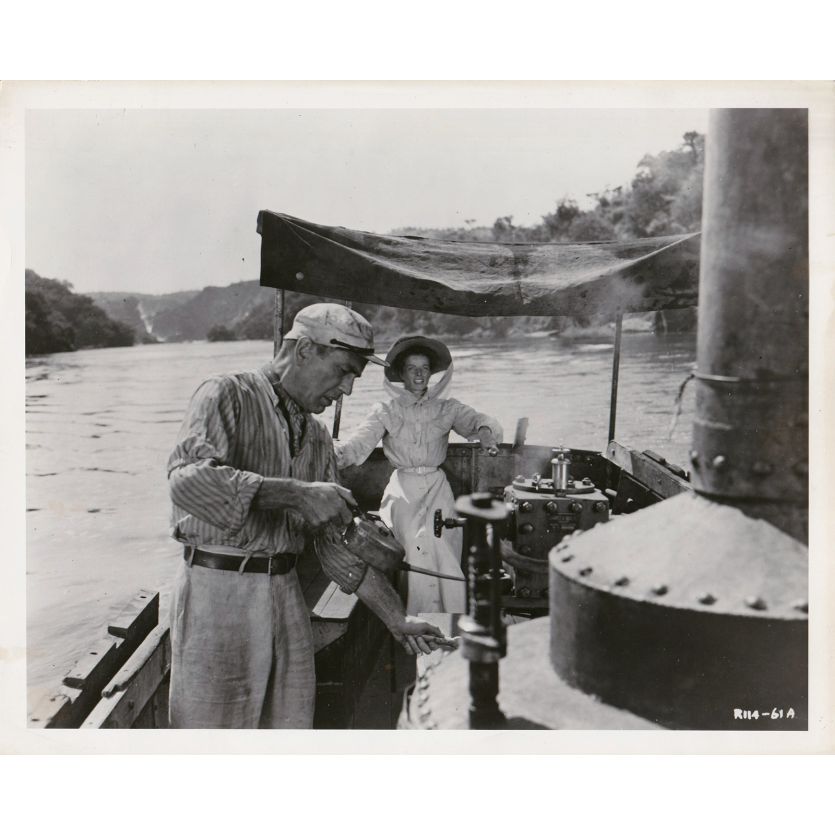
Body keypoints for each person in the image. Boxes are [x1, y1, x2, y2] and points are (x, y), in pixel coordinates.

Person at [167, 303, 446, 729]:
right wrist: (293, 494)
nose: (348, 390)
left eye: (356, 377)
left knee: (291, 731)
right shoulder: (226, 393)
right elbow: (186, 482)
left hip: (285, 593)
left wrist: (397, 619)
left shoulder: (316, 437)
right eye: (343, 371)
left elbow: (338, 545)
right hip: (217, 594)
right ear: (303, 351)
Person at [335, 336, 503, 615]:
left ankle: (451, 619)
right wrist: (335, 454)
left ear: (431, 372)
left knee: (442, 546)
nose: (419, 374)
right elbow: (358, 444)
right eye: (412, 367)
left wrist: (485, 431)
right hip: (403, 488)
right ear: (401, 373)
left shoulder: (447, 408)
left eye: (424, 368)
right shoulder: (385, 410)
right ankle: (415, 622)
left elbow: (477, 421)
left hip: (438, 486)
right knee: (413, 545)